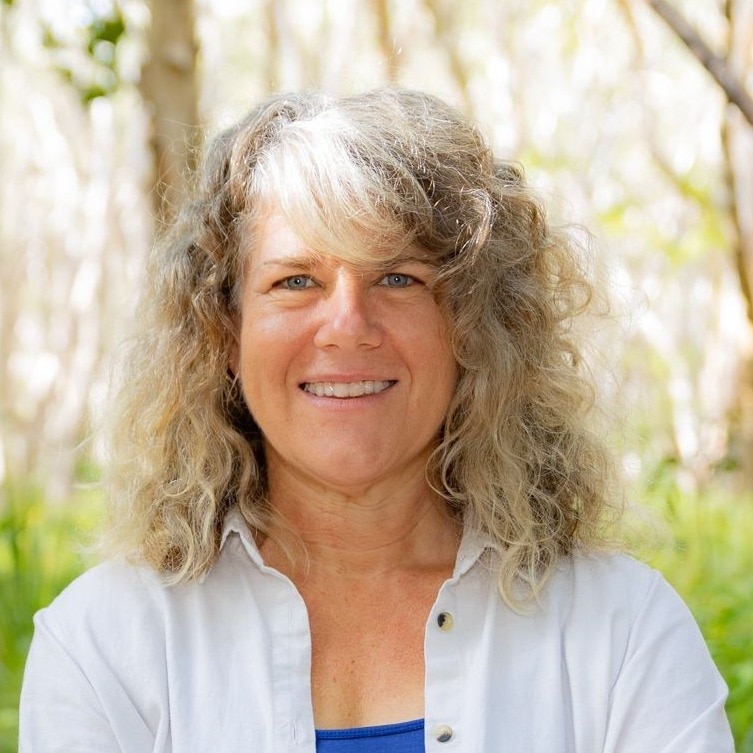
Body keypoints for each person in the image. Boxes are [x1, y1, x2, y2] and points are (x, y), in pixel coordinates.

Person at [20, 89, 733, 752]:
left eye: (397, 278)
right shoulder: (105, 645)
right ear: (222, 335)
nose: (348, 325)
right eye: (294, 280)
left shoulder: (622, 630)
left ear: (472, 327)